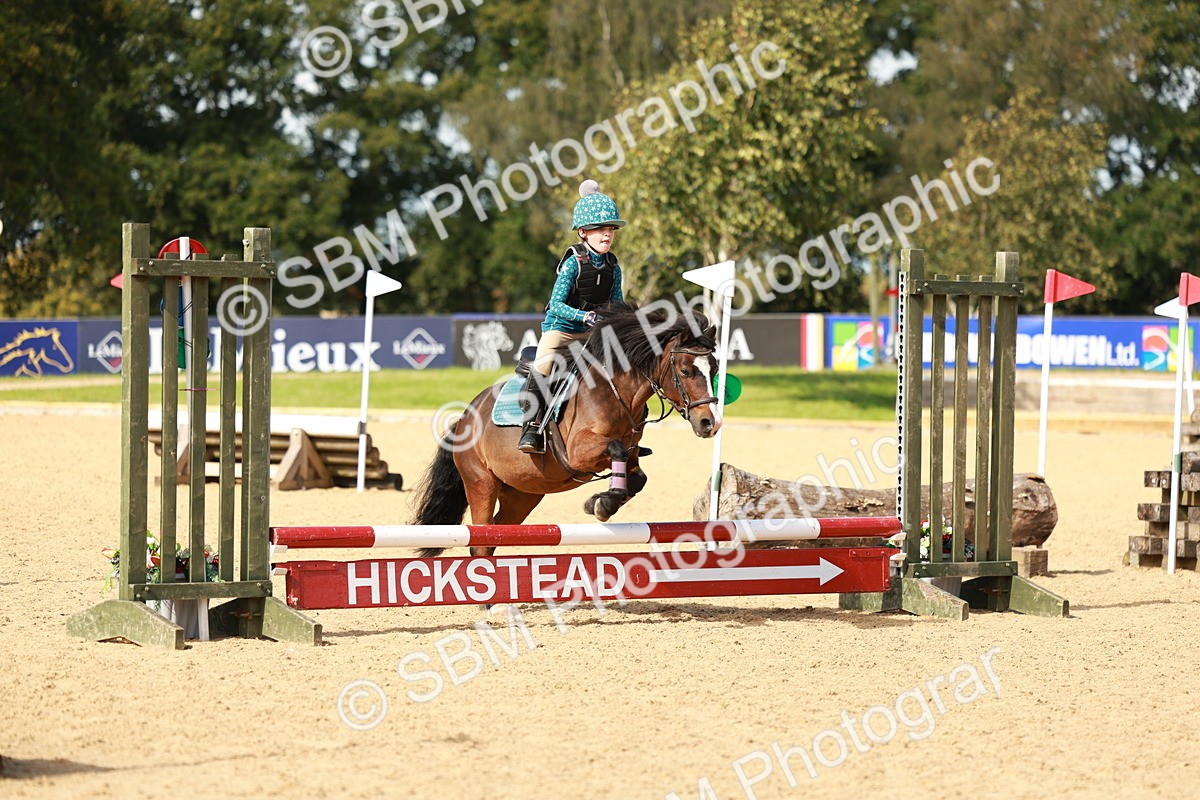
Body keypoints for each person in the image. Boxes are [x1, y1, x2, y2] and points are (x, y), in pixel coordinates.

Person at [517, 179, 626, 454]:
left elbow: (617, 304)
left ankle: (626, 428)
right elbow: (555, 305)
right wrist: (585, 316)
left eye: (610, 229)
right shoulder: (572, 263)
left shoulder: (614, 266)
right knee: (542, 367)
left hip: (593, 333)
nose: (606, 235)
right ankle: (530, 427)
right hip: (562, 328)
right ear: (583, 233)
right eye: (599, 229)